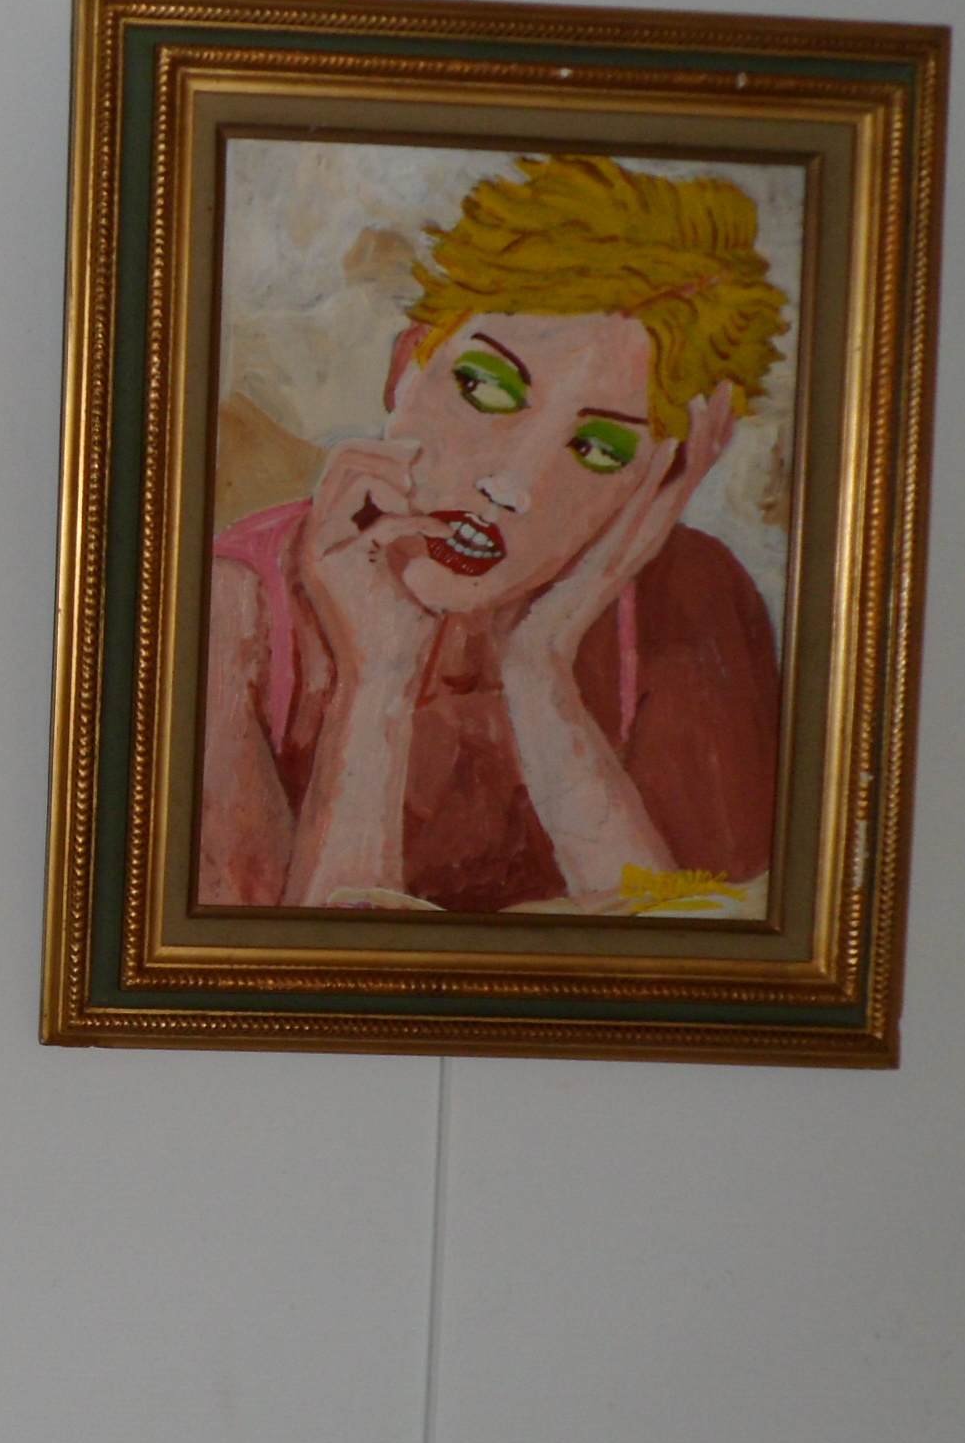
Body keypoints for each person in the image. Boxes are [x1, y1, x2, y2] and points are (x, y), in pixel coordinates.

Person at [199, 154, 785, 914]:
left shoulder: (694, 604)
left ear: (660, 481)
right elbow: (281, 980)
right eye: (486, 387)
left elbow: (701, 971)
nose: (510, 483)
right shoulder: (230, 613)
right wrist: (375, 683)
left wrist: (542, 670)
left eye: (597, 448)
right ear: (408, 363)